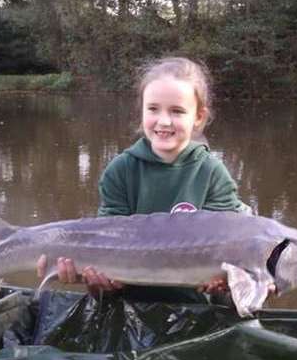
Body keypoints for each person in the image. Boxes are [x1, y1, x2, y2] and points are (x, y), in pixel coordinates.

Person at [36, 56, 246, 303]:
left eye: (177, 111)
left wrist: (224, 282)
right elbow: (106, 242)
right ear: (142, 111)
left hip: (194, 304)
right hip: (129, 301)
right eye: (153, 109)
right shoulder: (120, 170)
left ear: (199, 117)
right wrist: (94, 280)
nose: (164, 121)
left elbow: (230, 248)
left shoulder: (213, 173)